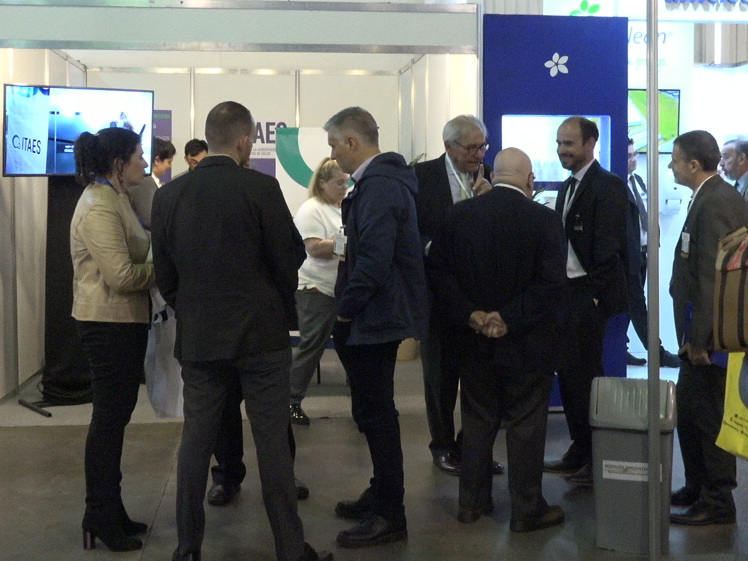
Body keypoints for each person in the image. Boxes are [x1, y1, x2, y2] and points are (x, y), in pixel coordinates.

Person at [151, 101, 331, 561]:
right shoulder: (261, 188)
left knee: (195, 445)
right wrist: (269, 301)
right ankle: (290, 549)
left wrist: (193, 308)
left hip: (200, 339)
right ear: (245, 140)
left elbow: (165, 276)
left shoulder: (169, 196)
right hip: (261, 338)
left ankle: (187, 549)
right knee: (272, 445)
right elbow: (290, 257)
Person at [428, 147, 567, 532]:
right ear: (529, 180)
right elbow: (551, 285)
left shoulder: (457, 215)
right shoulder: (545, 220)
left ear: (492, 175)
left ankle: (471, 504)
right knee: (526, 426)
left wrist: (472, 314)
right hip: (527, 345)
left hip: (473, 342)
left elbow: (438, 274)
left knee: (476, 422)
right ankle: (526, 511)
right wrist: (508, 318)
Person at [324, 107, 429, 548]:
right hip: (374, 315)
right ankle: (381, 492)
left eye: (334, 144)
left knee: (379, 415)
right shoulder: (379, 183)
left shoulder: (380, 186)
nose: (332, 154)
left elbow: (372, 260)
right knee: (372, 411)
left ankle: (390, 513)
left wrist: (345, 311)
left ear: (352, 142)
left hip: (374, 318)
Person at [71, 127, 155, 552]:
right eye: (139, 155)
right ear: (119, 164)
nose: (146, 162)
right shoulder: (98, 206)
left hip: (123, 323)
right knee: (108, 421)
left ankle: (111, 508)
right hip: (107, 325)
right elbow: (121, 277)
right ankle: (99, 514)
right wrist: (166, 266)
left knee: (115, 419)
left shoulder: (116, 196)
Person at [414, 115, 504, 477]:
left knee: (481, 380)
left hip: (480, 298)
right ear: (449, 146)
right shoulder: (421, 177)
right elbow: (409, 230)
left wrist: (491, 202)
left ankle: (474, 446)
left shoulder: (491, 178)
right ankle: (442, 446)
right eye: (471, 148)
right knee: (440, 380)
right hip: (437, 296)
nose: (479, 154)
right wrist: (432, 246)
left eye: (483, 146)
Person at [668, 130, 748, 526]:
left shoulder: (716, 201)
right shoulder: (709, 196)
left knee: (709, 415)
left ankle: (718, 500)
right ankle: (697, 485)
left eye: (675, 159)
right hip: (698, 333)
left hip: (711, 337)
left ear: (693, 165)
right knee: (689, 410)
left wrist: (700, 340)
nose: (670, 166)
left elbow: (715, 278)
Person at [543, 116, 629, 487]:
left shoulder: (608, 186)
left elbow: (609, 248)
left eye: (569, 144)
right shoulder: (567, 187)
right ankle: (579, 449)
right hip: (567, 295)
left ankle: (594, 458)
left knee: (585, 378)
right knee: (570, 376)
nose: (562, 150)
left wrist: (593, 296)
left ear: (590, 144)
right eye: (559, 143)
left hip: (587, 296)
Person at [290, 158, 350, 425]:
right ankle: (290, 401)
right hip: (316, 288)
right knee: (311, 347)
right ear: (323, 183)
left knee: (351, 348)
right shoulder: (311, 209)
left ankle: (363, 401)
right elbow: (314, 248)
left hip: (341, 290)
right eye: (339, 183)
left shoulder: (343, 207)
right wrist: (349, 244)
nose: (344, 187)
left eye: (346, 182)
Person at [624, 139, 680, 368]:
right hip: (628, 256)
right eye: (628, 156)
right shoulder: (616, 186)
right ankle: (658, 353)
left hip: (643, 253)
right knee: (638, 305)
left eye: (634, 154)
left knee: (632, 304)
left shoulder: (637, 180)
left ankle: (622, 348)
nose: (633, 159)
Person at [128, 137, 176, 230]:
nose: (170, 166)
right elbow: (149, 219)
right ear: (157, 160)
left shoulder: (149, 181)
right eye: (169, 162)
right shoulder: (145, 183)